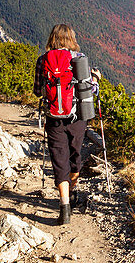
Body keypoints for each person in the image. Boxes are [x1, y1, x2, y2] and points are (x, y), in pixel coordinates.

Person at [33, 23, 96, 225]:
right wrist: (96, 78)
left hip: (53, 118)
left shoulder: (43, 60)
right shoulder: (79, 58)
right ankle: (73, 190)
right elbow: (90, 90)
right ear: (71, 38)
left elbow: (37, 90)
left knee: (59, 159)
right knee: (75, 155)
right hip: (77, 118)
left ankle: (64, 207)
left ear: (52, 38)